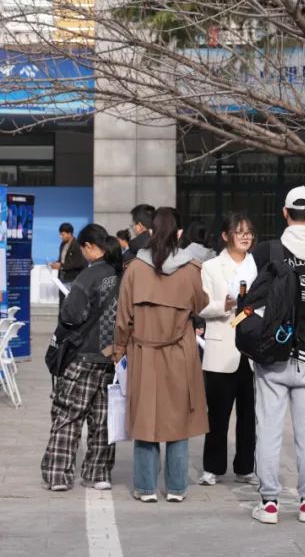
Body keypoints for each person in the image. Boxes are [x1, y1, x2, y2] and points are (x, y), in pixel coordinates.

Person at [232, 186, 305, 524]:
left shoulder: (266, 251)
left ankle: (269, 503)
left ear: (284, 213)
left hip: (272, 353)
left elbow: (244, 295)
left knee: (268, 429)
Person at [113, 207, 209, 503]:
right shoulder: (191, 269)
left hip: (144, 350)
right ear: (179, 233)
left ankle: (145, 487)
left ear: (151, 231)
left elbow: (123, 317)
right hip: (180, 350)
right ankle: (177, 487)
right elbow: (201, 304)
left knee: (146, 418)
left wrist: (118, 350)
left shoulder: (134, 269)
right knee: (179, 419)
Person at [41, 224, 122, 492]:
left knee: (68, 416)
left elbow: (71, 315)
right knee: (103, 420)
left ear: (88, 247)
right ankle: (98, 474)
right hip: (111, 358)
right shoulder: (120, 274)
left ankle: (58, 475)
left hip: (83, 356)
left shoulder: (88, 276)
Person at [197, 213, 258, 487]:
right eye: (239, 232)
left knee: (249, 415)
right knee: (218, 414)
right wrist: (226, 304)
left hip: (253, 351)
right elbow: (201, 306)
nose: (246, 236)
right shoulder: (211, 267)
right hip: (222, 348)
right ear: (225, 236)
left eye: (249, 232)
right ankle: (213, 467)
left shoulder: (258, 265)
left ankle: (245, 467)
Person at [51, 222, 87, 305]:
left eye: (63, 234)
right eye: (60, 234)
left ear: (69, 233)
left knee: (71, 302)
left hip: (73, 279)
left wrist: (62, 266)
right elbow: (62, 259)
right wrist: (55, 264)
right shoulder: (63, 244)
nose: (61, 236)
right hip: (62, 278)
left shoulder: (77, 245)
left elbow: (80, 263)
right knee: (62, 302)